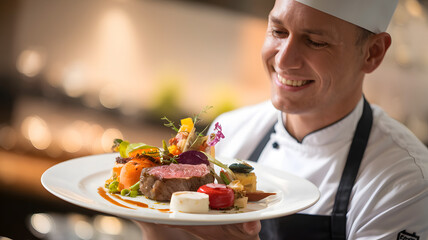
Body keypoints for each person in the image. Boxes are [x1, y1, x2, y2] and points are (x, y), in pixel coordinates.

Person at [136, 0, 428, 239]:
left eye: (315, 42)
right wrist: (152, 222)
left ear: (372, 53)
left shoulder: (405, 182)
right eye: (278, 31)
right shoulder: (231, 131)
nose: (284, 59)